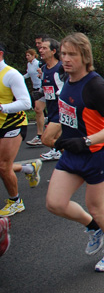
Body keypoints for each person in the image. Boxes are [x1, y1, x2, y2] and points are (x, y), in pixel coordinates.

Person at [45, 33, 104, 272]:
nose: (66, 59)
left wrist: (86, 141)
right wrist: (52, 132)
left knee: (97, 207)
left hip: (98, 154)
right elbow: (68, 110)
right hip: (73, 153)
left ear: (85, 57)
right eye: (63, 54)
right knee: (54, 203)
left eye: (72, 54)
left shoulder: (95, 85)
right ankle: (93, 227)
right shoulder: (66, 79)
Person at [0, 43, 37, 217]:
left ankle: (15, 202)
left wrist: (2, 108)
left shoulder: (11, 74)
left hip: (12, 124)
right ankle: (29, 169)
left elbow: (26, 103)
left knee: (3, 166)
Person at [39, 38, 65, 161]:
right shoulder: (44, 68)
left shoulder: (61, 69)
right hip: (51, 109)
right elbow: (46, 88)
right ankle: (72, 158)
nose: (41, 50)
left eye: (44, 48)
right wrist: (40, 94)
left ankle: (77, 153)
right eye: (40, 48)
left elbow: (66, 89)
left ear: (53, 51)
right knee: (60, 139)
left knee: (46, 139)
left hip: (61, 110)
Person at [23, 49, 45, 146]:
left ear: (33, 55)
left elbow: (43, 73)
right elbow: (28, 74)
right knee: (37, 109)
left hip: (43, 87)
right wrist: (19, 77)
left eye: (28, 55)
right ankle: (40, 136)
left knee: (39, 109)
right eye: (26, 55)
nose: (27, 57)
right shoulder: (29, 64)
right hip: (36, 87)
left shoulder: (38, 63)